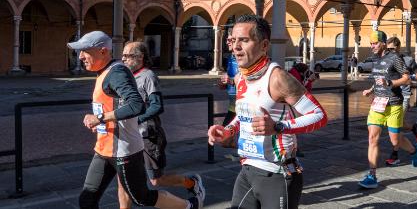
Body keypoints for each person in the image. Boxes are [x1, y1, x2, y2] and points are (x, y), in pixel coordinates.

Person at [207, 15, 328, 209]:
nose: (235, 47)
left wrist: (278, 126)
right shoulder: (240, 78)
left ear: (264, 45)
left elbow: (319, 116)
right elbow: (245, 114)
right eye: (233, 40)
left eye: (244, 40)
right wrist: (228, 130)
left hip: (278, 174)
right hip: (247, 170)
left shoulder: (278, 78)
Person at [71, 31, 202, 209]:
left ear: (102, 51)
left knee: (142, 197)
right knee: (88, 199)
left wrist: (100, 118)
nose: (80, 56)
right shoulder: (104, 71)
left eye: (85, 51)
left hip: (124, 151)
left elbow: (136, 105)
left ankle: (189, 206)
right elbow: (114, 105)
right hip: (104, 149)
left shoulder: (116, 73)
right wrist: (100, 122)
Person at [118, 41, 205, 209]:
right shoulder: (127, 77)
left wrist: (137, 120)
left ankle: (191, 183)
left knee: (156, 180)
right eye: (123, 55)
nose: (123, 59)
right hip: (129, 138)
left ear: (140, 57)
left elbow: (157, 106)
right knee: (123, 181)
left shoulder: (148, 76)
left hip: (147, 136)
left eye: (128, 55)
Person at [358, 30, 417, 188]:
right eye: (371, 43)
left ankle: (414, 151)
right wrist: (371, 90)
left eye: (375, 43)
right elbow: (378, 79)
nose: (372, 46)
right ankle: (372, 175)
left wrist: (391, 84)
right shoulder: (374, 59)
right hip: (377, 104)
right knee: (373, 139)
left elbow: (406, 78)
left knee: (396, 140)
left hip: (394, 104)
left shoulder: (395, 58)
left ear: (383, 43)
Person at [384, 36, 417, 166]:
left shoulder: (408, 60)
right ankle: (413, 127)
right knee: (394, 126)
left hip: (403, 97)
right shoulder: (386, 59)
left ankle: (395, 155)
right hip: (389, 97)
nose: (389, 52)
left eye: (392, 49)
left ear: (398, 48)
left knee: (397, 128)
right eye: (387, 49)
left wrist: (406, 77)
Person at [220, 33, 239, 125]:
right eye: (227, 39)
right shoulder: (231, 57)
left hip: (242, 105)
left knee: (224, 135)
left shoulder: (242, 59)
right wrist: (224, 84)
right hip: (232, 106)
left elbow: (250, 81)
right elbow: (230, 79)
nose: (227, 42)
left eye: (230, 40)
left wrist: (231, 81)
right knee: (225, 136)